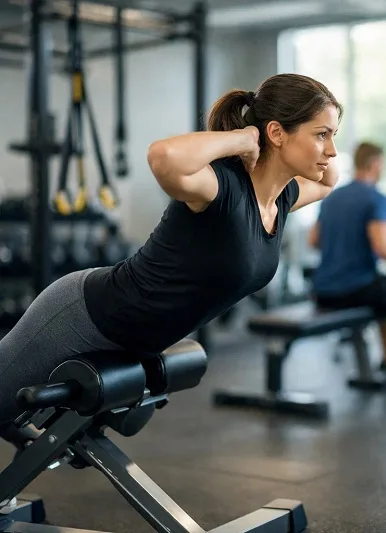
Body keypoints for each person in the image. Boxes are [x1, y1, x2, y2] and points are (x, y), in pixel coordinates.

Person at [0, 73, 342, 445]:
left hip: (129, 340)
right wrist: (244, 137)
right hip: (82, 315)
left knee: (16, 417)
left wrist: (323, 120)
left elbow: (328, 182)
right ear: (276, 133)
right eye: (321, 135)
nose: (332, 150)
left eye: (333, 135)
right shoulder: (220, 187)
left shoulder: (283, 199)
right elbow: (162, 156)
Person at [307, 141, 386, 371]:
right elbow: (384, 249)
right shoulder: (377, 198)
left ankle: (385, 356)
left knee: (383, 288)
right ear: (375, 164)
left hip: (322, 292)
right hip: (354, 292)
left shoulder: (331, 197)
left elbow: (314, 241)